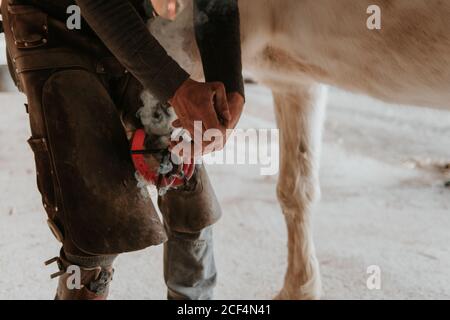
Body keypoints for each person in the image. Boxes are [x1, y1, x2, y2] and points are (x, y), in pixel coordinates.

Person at [0, 0, 244, 300]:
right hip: (52, 29)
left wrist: (232, 91)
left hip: (133, 21)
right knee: (96, 226)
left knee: (184, 186)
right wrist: (177, 88)